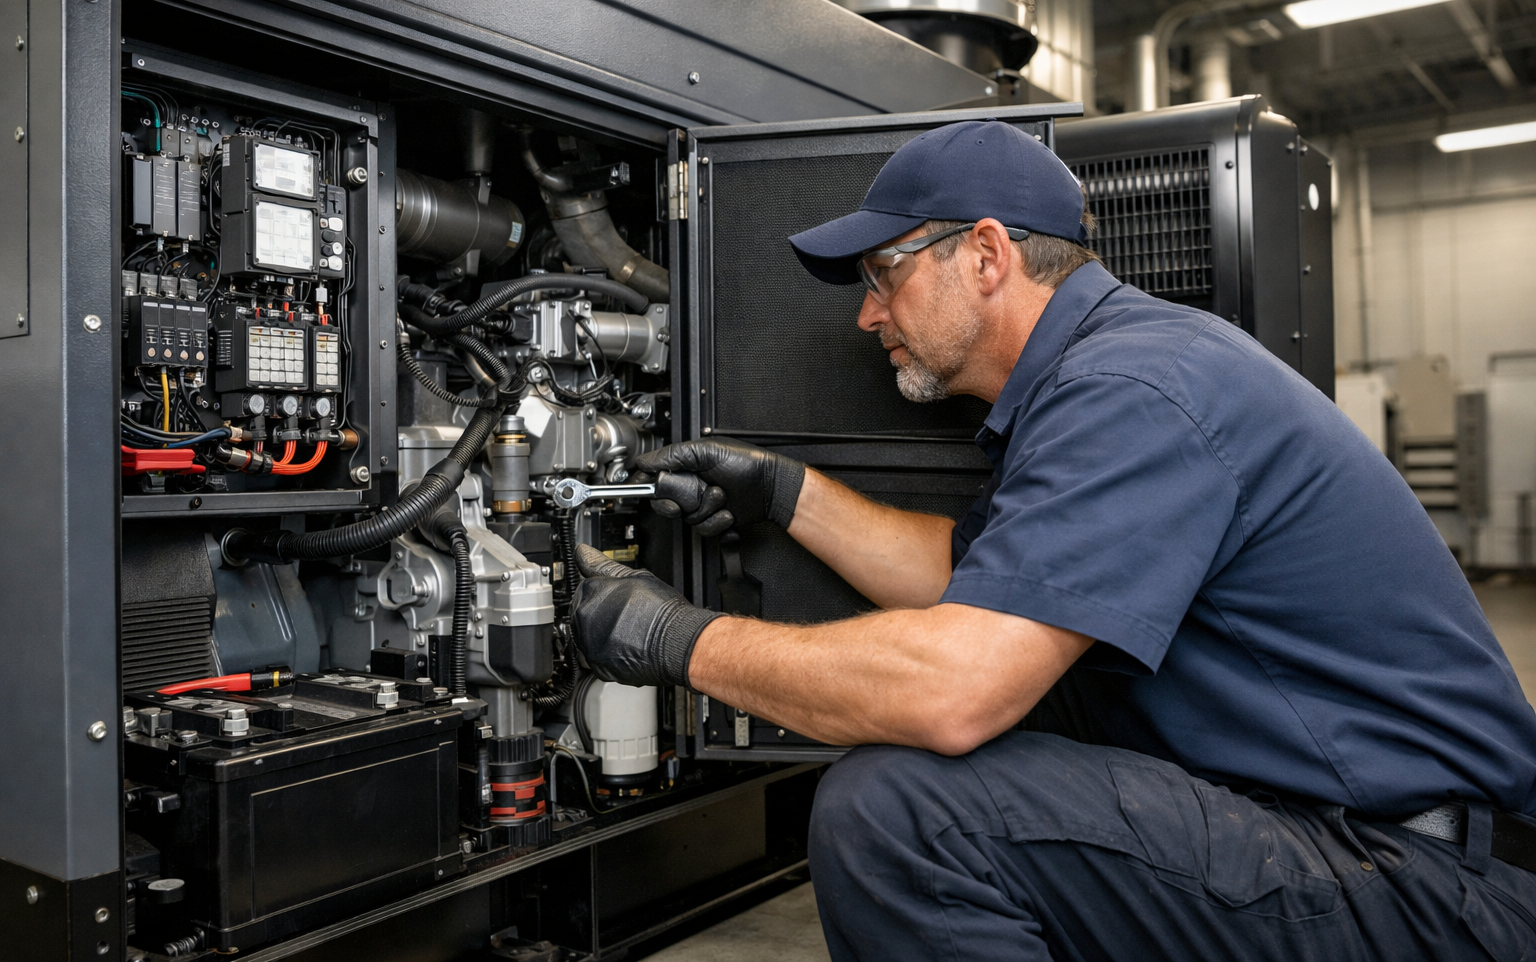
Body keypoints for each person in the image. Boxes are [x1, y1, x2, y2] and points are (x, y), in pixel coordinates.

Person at [570, 120, 1536, 961]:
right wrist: (786, 495)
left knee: (903, 810)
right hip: (1360, 840)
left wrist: (677, 642)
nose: (869, 313)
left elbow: (956, 686)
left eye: (882, 274)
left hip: (1426, 888)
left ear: (985, 255)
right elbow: (975, 581)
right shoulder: (1111, 371)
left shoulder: (1134, 391)